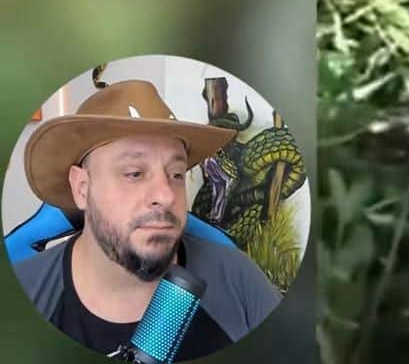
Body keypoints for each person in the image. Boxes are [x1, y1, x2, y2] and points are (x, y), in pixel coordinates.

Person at [14, 79, 282, 359]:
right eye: (134, 173)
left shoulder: (240, 281)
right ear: (82, 187)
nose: (166, 195)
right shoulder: (20, 299)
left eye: (176, 174)